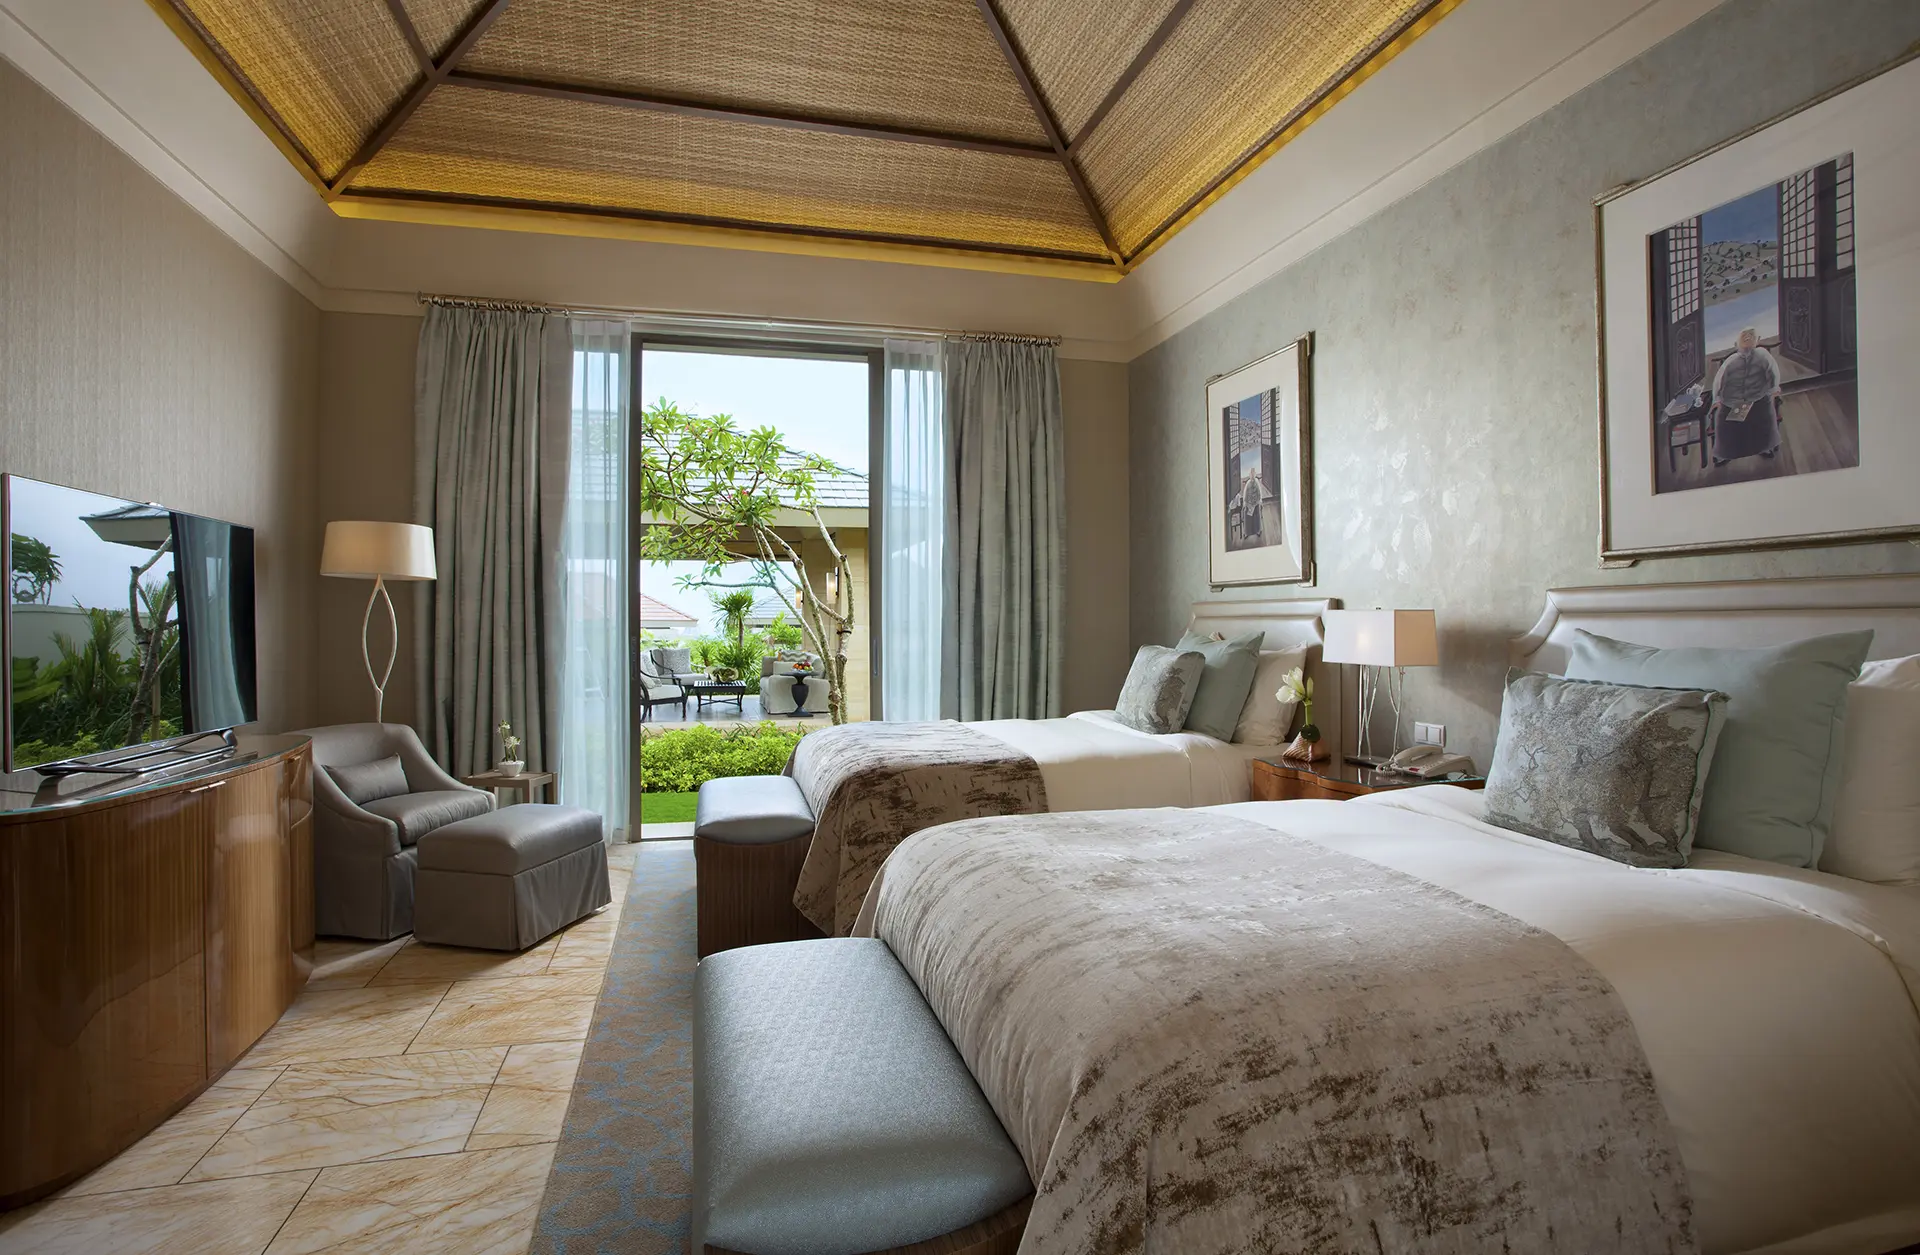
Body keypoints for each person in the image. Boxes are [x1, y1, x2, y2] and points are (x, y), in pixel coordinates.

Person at [1709, 327, 1783, 465]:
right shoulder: (1731, 361)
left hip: (1758, 399)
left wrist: (1774, 390)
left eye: (1750, 336)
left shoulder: (1763, 355)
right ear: (1737, 344)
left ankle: (1764, 448)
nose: (1747, 339)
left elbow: (1773, 373)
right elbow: (1718, 382)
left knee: (1763, 421)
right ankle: (1727, 454)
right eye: (1744, 337)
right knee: (1731, 425)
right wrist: (1716, 399)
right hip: (1738, 403)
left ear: (1757, 341)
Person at [1239, 469, 1267, 542]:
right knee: (1246, 515)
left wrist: (1259, 501)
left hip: (1256, 503)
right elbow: (1245, 495)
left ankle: (1257, 530)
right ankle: (1247, 532)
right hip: (1248, 503)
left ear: (1255, 475)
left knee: (1256, 515)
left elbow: (1259, 494)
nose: (1252, 476)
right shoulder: (1248, 483)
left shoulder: (1257, 483)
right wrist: (1245, 503)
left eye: (1253, 474)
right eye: (1251, 474)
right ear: (1249, 475)